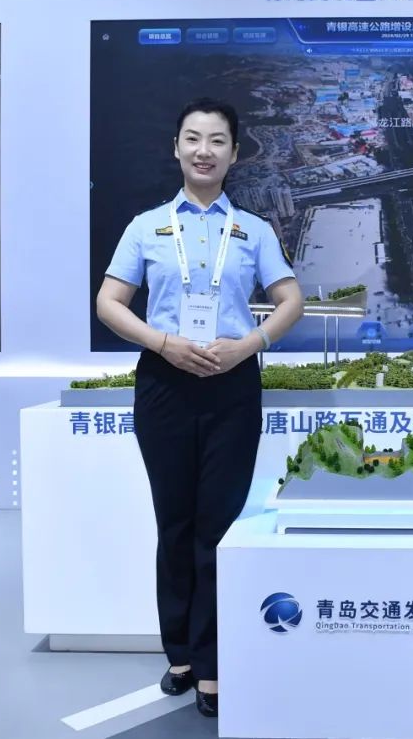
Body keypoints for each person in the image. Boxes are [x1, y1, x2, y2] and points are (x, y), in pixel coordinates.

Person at [95, 97, 304, 718]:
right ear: (177, 148)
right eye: (193, 138)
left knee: (218, 524)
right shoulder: (146, 227)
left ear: (235, 154)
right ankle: (179, 651)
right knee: (175, 521)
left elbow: (290, 301)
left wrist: (250, 344)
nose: (203, 150)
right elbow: (109, 302)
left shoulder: (254, 230)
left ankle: (212, 661)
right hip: (164, 382)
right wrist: (164, 343)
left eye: (217, 141)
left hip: (232, 384)